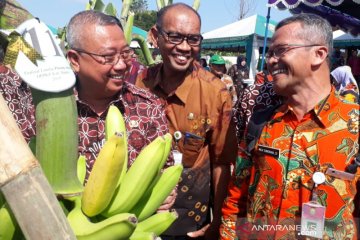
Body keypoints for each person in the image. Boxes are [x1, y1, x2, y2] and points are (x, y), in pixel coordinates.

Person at [220, 13, 360, 240]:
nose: (271, 60)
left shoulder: (354, 126)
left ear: (318, 54)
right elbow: (236, 199)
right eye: (270, 52)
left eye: (281, 50)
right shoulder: (261, 122)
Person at [135, 3, 237, 239]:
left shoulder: (216, 93)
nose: (184, 47)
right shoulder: (138, 85)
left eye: (193, 39)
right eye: (174, 37)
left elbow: (222, 163)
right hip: (136, 215)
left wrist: (218, 221)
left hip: (188, 223)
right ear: (154, 36)